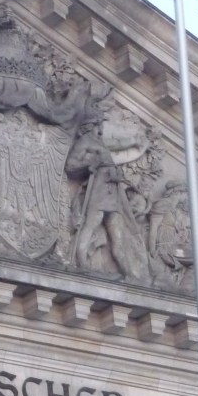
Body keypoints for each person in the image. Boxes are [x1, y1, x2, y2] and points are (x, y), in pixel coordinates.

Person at [64, 118, 147, 278]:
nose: (100, 126)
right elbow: (71, 165)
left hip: (113, 191)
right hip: (99, 190)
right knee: (90, 225)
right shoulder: (84, 141)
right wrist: (90, 165)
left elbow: (117, 144)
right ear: (91, 124)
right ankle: (82, 263)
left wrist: (135, 141)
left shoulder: (100, 142)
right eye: (98, 122)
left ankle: (129, 274)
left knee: (118, 233)